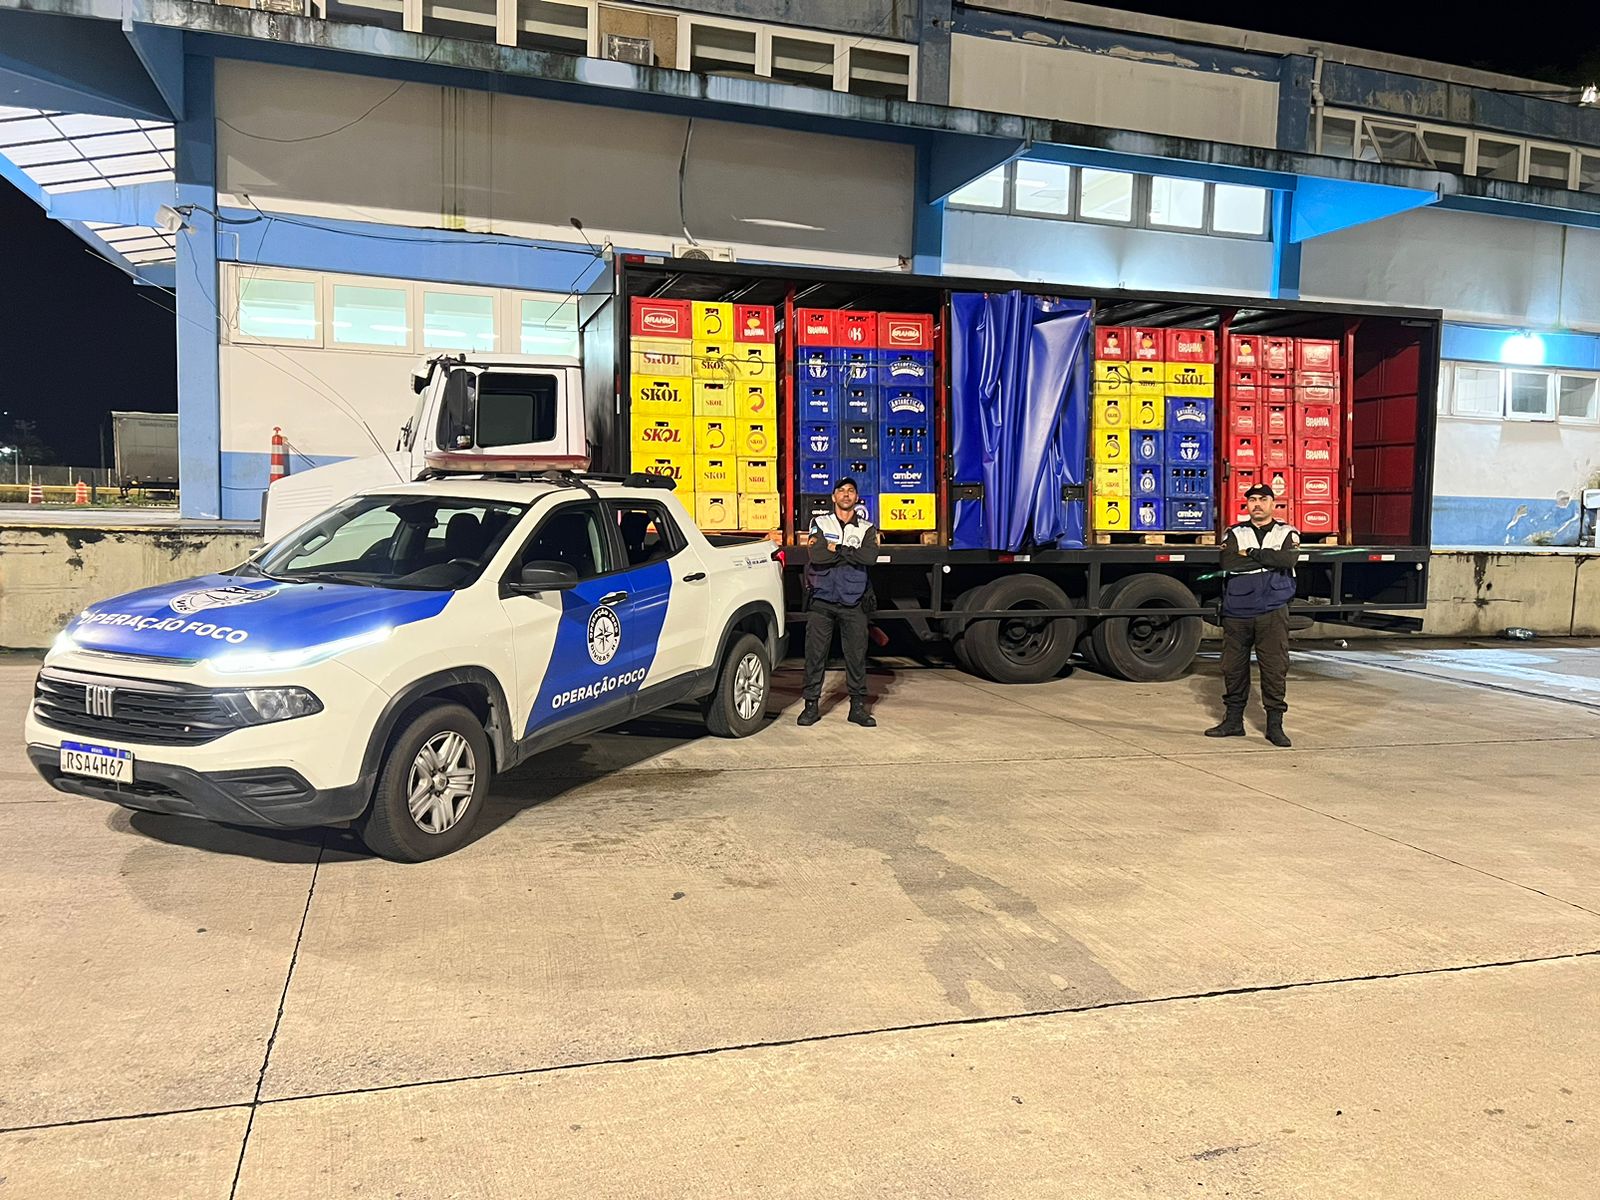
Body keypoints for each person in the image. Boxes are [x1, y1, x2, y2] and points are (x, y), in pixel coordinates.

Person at [1206, 484, 1300, 747]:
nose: (1257, 504)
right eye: (1252, 500)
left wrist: (1251, 553)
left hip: (1272, 610)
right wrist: (1269, 559)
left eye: (1263, 499)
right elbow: (1229, 563)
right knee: (1233, 668)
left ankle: (1275, 726)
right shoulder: (1235, 532)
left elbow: (1287, 561)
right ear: (1247, 504)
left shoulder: (1287, 532)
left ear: (1273, 504)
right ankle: (1233, 722)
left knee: (1274, 668)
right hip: (1237, 610)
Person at [798, 477, 879, 729]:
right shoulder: (820, 523)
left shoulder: (867, 527)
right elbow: (817, 554)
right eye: (841, 491)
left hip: (854, 600)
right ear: (833, 497)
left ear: (856, 497)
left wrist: (837, 548)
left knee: (856, 656)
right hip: (822, 600)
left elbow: (870, 557)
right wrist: (850, 553)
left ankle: (858, 708)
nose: (846, 494)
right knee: (815, 655)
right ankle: (811, 706)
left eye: (851, 491)